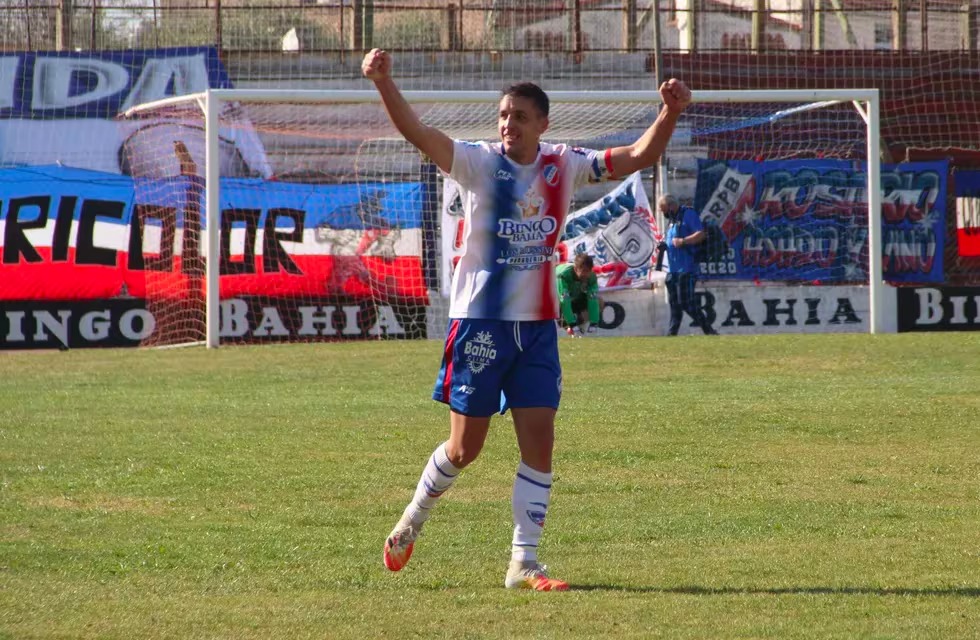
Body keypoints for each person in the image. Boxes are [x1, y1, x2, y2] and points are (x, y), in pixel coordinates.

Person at [362, 47, 692, 591]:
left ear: (542, 123)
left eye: (518, 115)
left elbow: (635, 156)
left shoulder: (564, 163)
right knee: (465, 450)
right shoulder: (477, 162)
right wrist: (384, 83)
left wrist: (669, 114)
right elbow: (419, 134)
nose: (507, 123)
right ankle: (411, 519)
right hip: (480, 326)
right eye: (503, 115)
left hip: (537, 328)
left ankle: (524, 562)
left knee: (539, 442)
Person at [658, 194, 717, 336]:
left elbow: (700, 234)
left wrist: (683, 241)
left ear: (671, 206)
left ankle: (708, 330)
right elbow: (672, 241)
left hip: (687, 268)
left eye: (664, 210)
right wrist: (664, 246)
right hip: (673, 270)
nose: (664, 214)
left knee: (686, 303)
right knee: (675, 305)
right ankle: (672, 333)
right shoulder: (672, 221)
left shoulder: (688, 214)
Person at [557, 253, 600, 336]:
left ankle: (581, 328)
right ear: (575, 269)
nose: (586, 275)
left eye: (588, 271)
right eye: (584, 271)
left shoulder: (592, 276)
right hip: (555, 300)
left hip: (573, 297)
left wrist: (594, 322)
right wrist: (572, 324)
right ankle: (566, 328)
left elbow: (593, 298)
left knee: (599, 301)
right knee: (563, 301)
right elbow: (564, 300)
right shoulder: (563, 275)